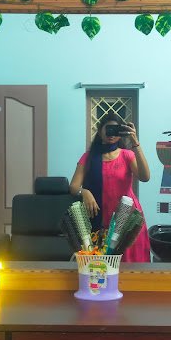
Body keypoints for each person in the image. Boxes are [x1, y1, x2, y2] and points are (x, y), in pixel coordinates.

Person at [69, 112, 151, 262]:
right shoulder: (88, 157)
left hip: (126, 216)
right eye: (108, 129)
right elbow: (74, 186)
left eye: (116, 129)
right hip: (99, 217)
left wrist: (135, 142)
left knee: (130, 263)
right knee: (101, 265)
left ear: (121, 133)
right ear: (100, 131)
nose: (111, 134)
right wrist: (84, 191)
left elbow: (145, 177)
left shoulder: (127, 155)